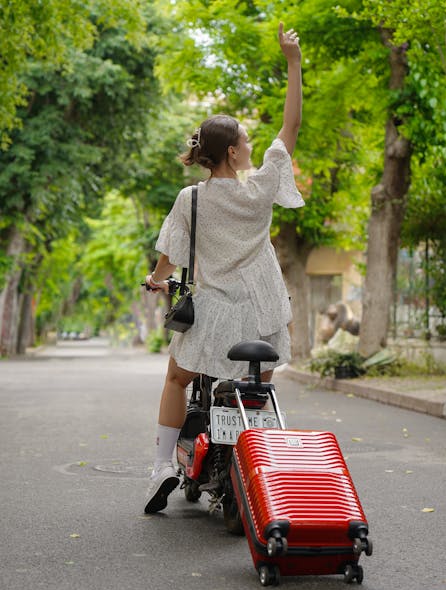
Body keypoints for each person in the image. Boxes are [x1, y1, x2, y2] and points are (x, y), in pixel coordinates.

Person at [143, 23, 303, 514]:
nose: (252, 141)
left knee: (176, 379)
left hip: (212, 315)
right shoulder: (259, 191)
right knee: (261, 383)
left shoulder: (191, 199)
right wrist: (293, 61)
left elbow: (168, 256)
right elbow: (290, 127)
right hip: (262, 314)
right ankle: (262, 459)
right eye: (246, 138)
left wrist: (156, 279)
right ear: (234, 152)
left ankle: (162, 466)